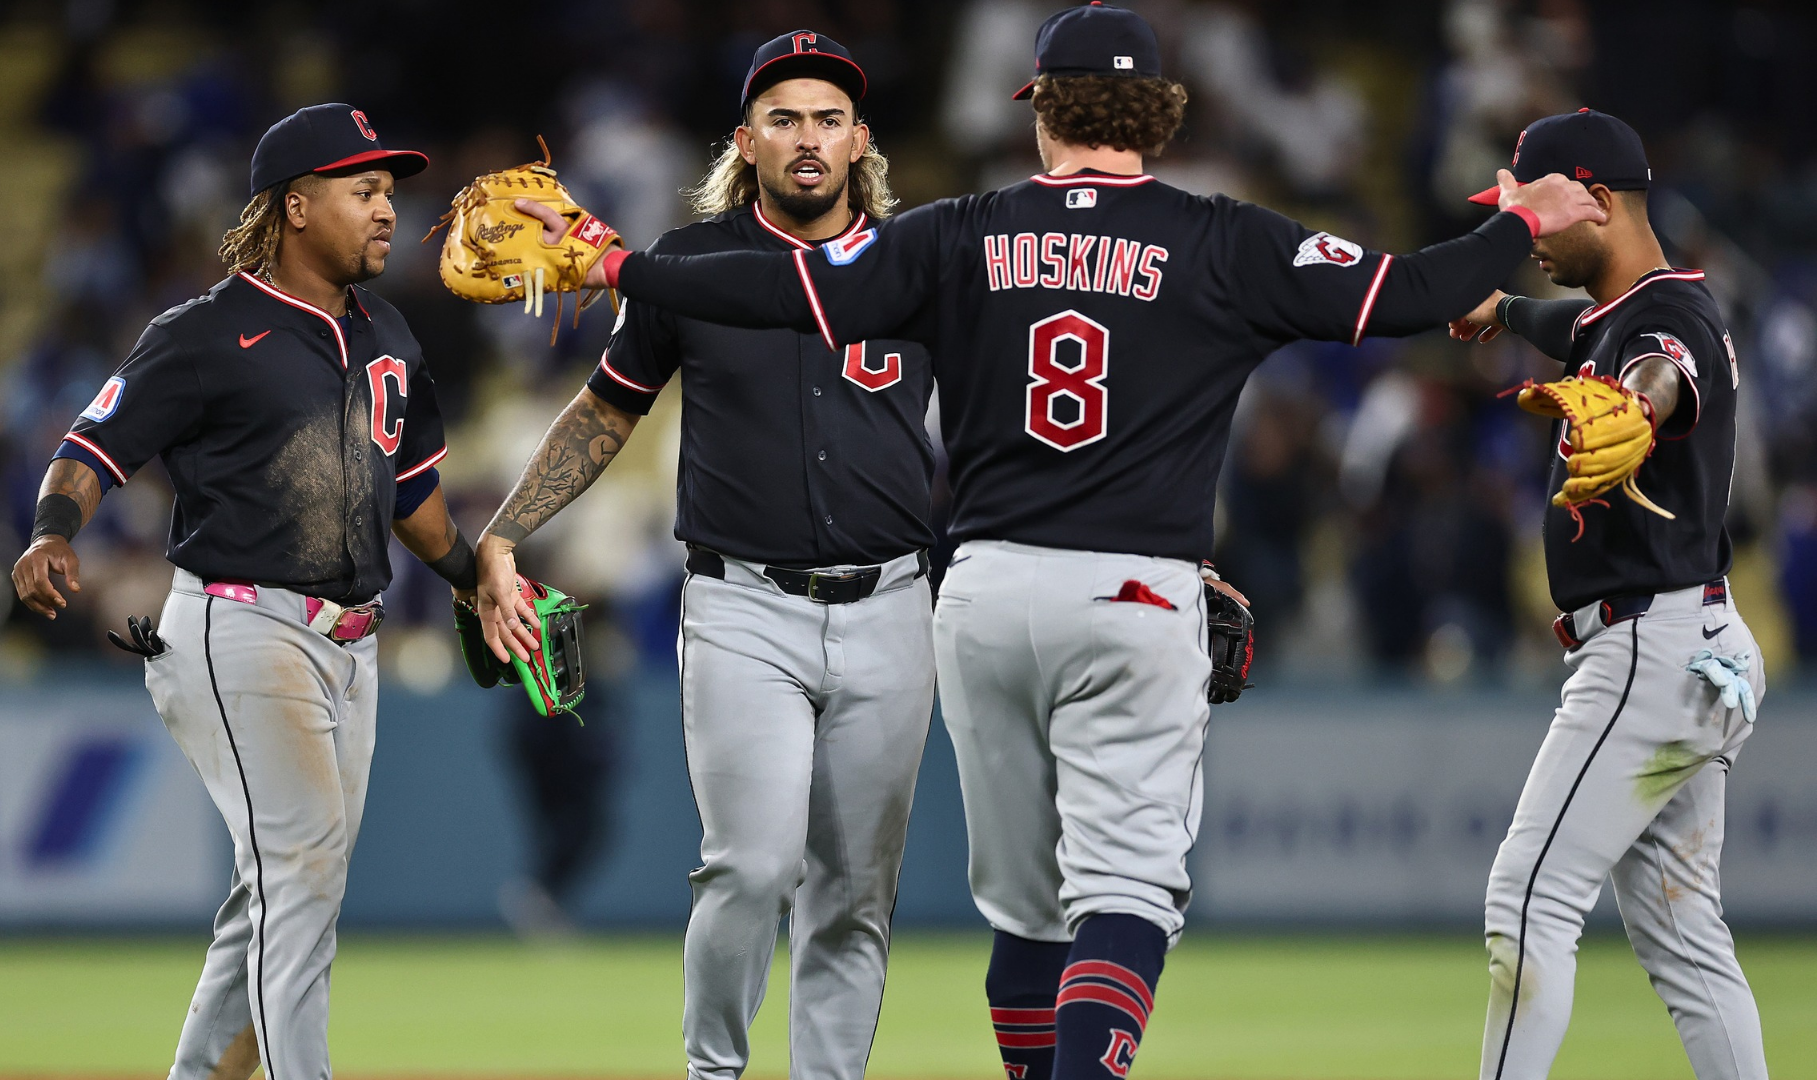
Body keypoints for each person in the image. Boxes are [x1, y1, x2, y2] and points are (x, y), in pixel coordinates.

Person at [533, 5, 1607, 1077]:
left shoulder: (961, 231)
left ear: (1042, 110)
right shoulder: (1226, 237)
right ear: (1163, 113)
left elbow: (787, 287)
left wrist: (621, 268)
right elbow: (1416, 291)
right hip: (1136, 588)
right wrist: (1522, 219)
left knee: (1028, 914)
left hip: (984, 598)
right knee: (1126, 896)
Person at [475, 33, 937, 1080]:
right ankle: (714, 1072)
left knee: (854, 894)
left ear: (861, 139)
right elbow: (606, 411)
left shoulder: (918, 265)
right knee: (750, 867)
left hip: (895, 603)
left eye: (828, 117)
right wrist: (504, 529)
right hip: (745, 605)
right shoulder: (684, 262)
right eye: (784, 117)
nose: (808, 137)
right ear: (747, 140)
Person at [10, 104, 477, 1080]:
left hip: (353, 644)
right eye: (364, 190)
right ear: (297, 206)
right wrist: (54, 530)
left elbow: (416, 496)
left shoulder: (389, 329)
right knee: (300, 872)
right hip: (240, 624)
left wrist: (478, 581)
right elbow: (94, 444)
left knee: (285, 883)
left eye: (389, 190)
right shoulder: (207, 331)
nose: (388, 209)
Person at [1449, 109, 1768, 1080]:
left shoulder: (1666, 324)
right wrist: (1503, 311)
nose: (1524, 233)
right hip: (1694, 642)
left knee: (1527, 896)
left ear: (1597, 197)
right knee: (1683, 935)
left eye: (1534, 213)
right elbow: (1579, 331)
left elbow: (1657, 370)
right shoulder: (1626, 309)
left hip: (1647, 648)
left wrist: (1636, 404)